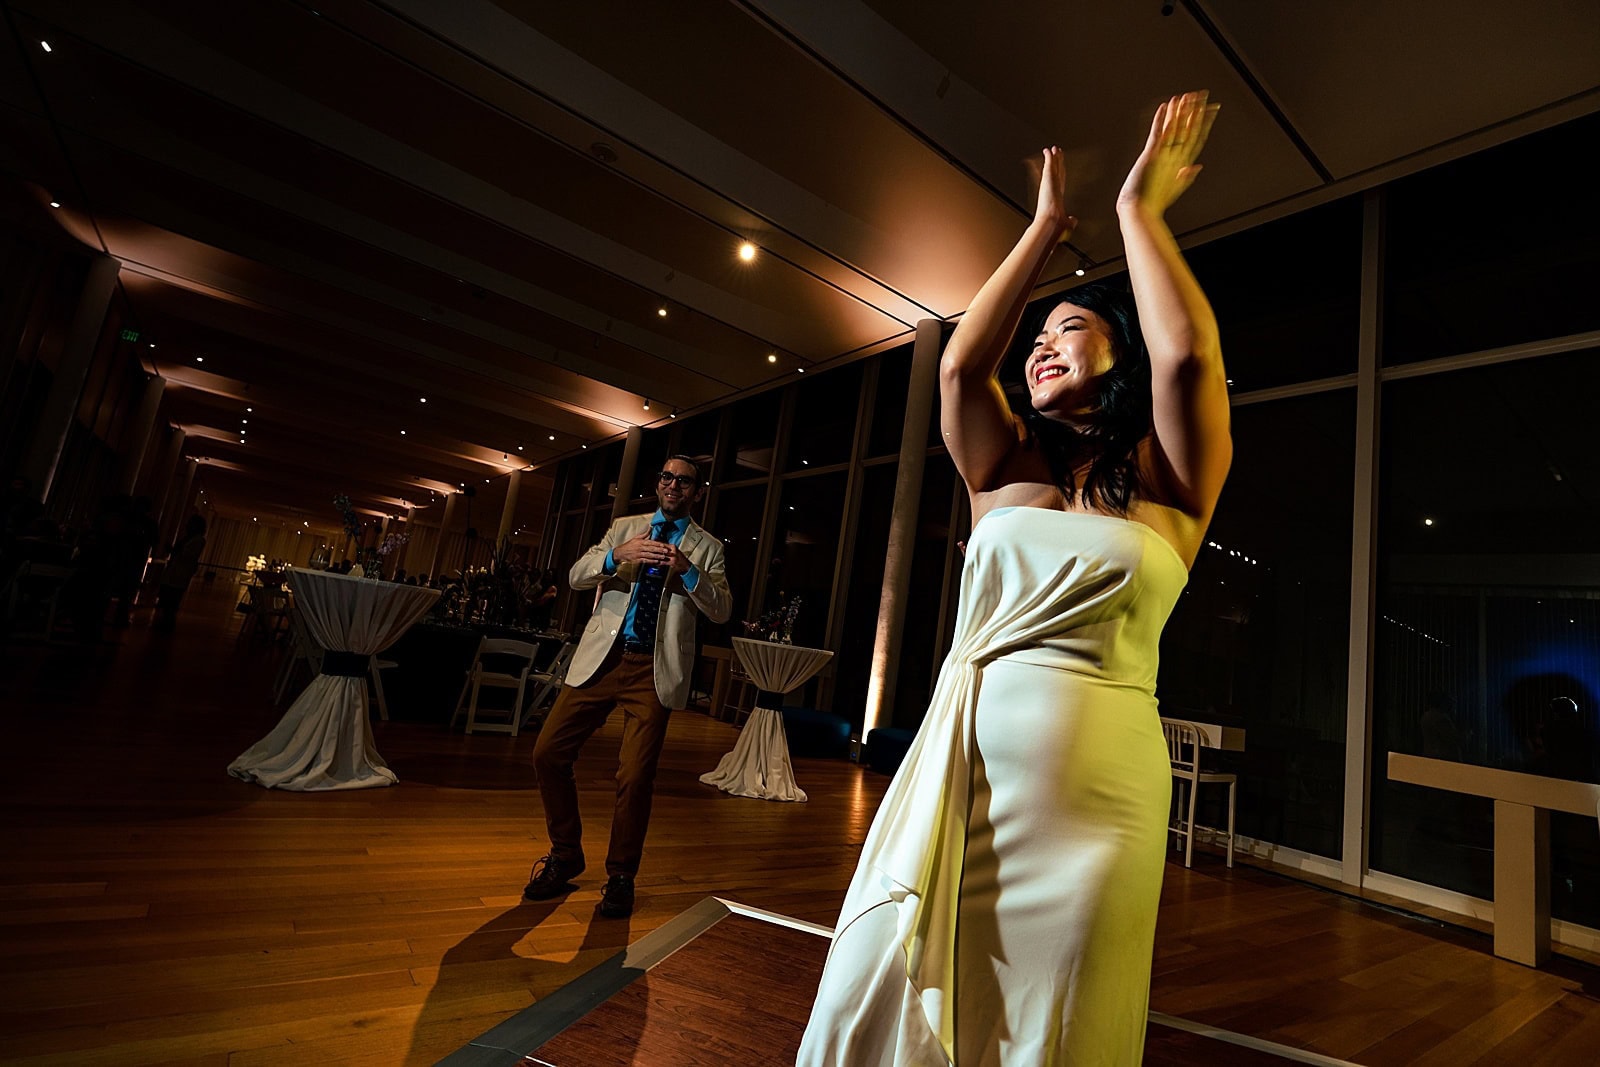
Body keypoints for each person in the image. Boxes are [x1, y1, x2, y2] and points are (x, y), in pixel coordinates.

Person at [799, 92, 1232, 1065]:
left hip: (1095, 805)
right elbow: (958, 370)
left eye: (1070, 328)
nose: (1042, 343)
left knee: (1056, 1023)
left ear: (1118, 358)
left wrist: (1138, 215)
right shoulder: (1004, 479)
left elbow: (1189, 353)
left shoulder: (1171, 486)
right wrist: (1042, 230)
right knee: (884, 975)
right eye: (1038, 333)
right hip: (958, 784)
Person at [524, 456, 731, 918]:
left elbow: (721, 610)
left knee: (635, 777)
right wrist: (619, 556)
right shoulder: (625, 528)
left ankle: (621, 876)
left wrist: (688, 570)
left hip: (653, 671)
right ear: (658, 484)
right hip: (603, 659)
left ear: (697, 492)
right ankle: (565, 855)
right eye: (666, 476)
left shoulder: (708, 548)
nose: (673, 485)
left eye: (684, 481)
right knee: (547, 752)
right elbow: (578, 576)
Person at [152, 515, 208, 631]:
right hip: (176, 573)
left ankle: (166, 625)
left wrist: (173, 550)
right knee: (168, 600)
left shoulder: (197, 540)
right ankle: (164, 623)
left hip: (179, 574)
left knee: (171, 601)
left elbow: (187, 555)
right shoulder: (191, 538)